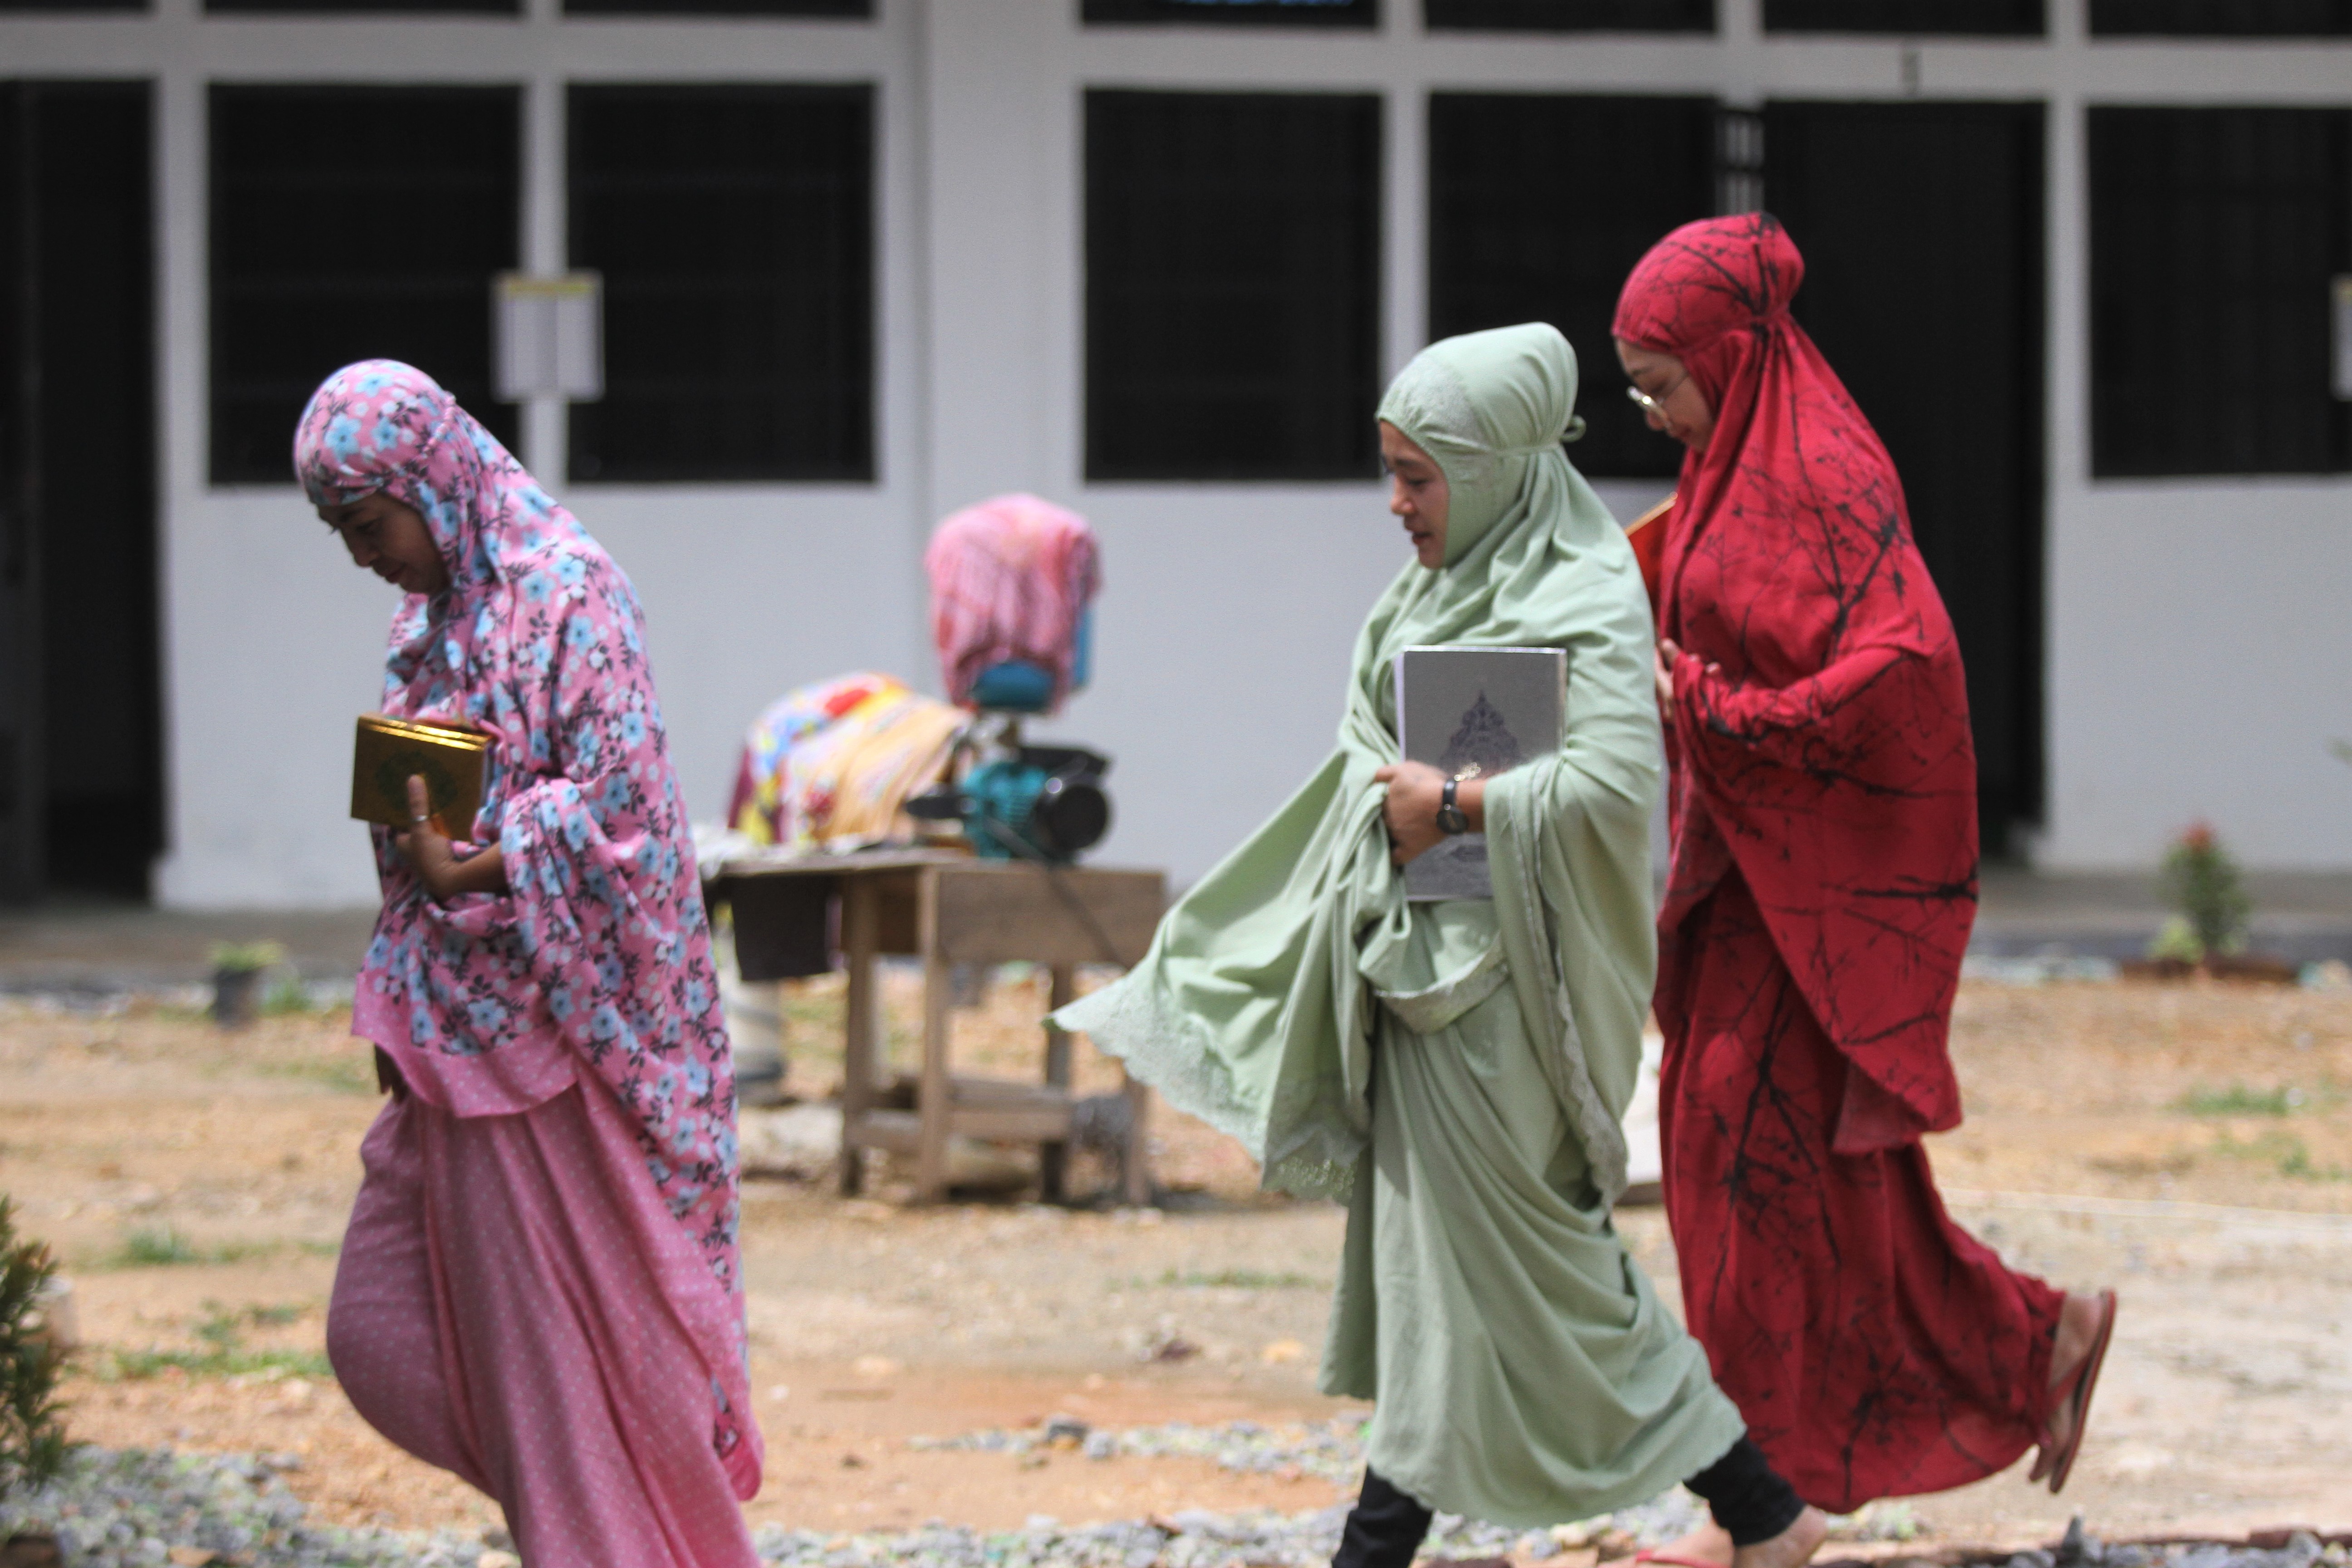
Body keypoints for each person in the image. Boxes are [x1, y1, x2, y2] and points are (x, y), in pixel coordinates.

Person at [1057, 324, 1826, 1568]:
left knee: (1538, 1268)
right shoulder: (1421, 594)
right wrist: (1402, 799)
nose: (1398, 504)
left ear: (1495, 470)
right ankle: (1760, 1512)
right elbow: (1366, 744)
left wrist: (1456, 805)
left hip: (1515, 999)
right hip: (1415, 980)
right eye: (1392, 474)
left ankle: (1752, 1512)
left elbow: (1614, 787)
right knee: (1463, 1277)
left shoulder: (1586, 595)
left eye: (1420, 478)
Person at [1611, 214, 2116, 1542]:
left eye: (1661, 387)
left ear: (1728, 356)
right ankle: (2035, 1343)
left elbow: (1900, 673)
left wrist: (1711, 706)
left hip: (1808, 907)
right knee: (1813, 1188)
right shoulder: (1729, 466)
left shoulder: (1819, 476)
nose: (1655, 418)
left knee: (1742, 1183)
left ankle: (1763, 1508)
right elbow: (1687, 593)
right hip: (1746, 894)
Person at [301, 360, 763, 1568]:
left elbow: (631, 813)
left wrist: (483, 864)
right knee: (402, 1339)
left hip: (561, 1045)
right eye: (342, 534)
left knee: (579, 1385)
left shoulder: (570, 589)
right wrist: (409, 965)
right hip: (455, 1040)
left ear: (431, 482)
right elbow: (413, 824)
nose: (363, 556)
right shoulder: (424, 626)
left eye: (371, 524)